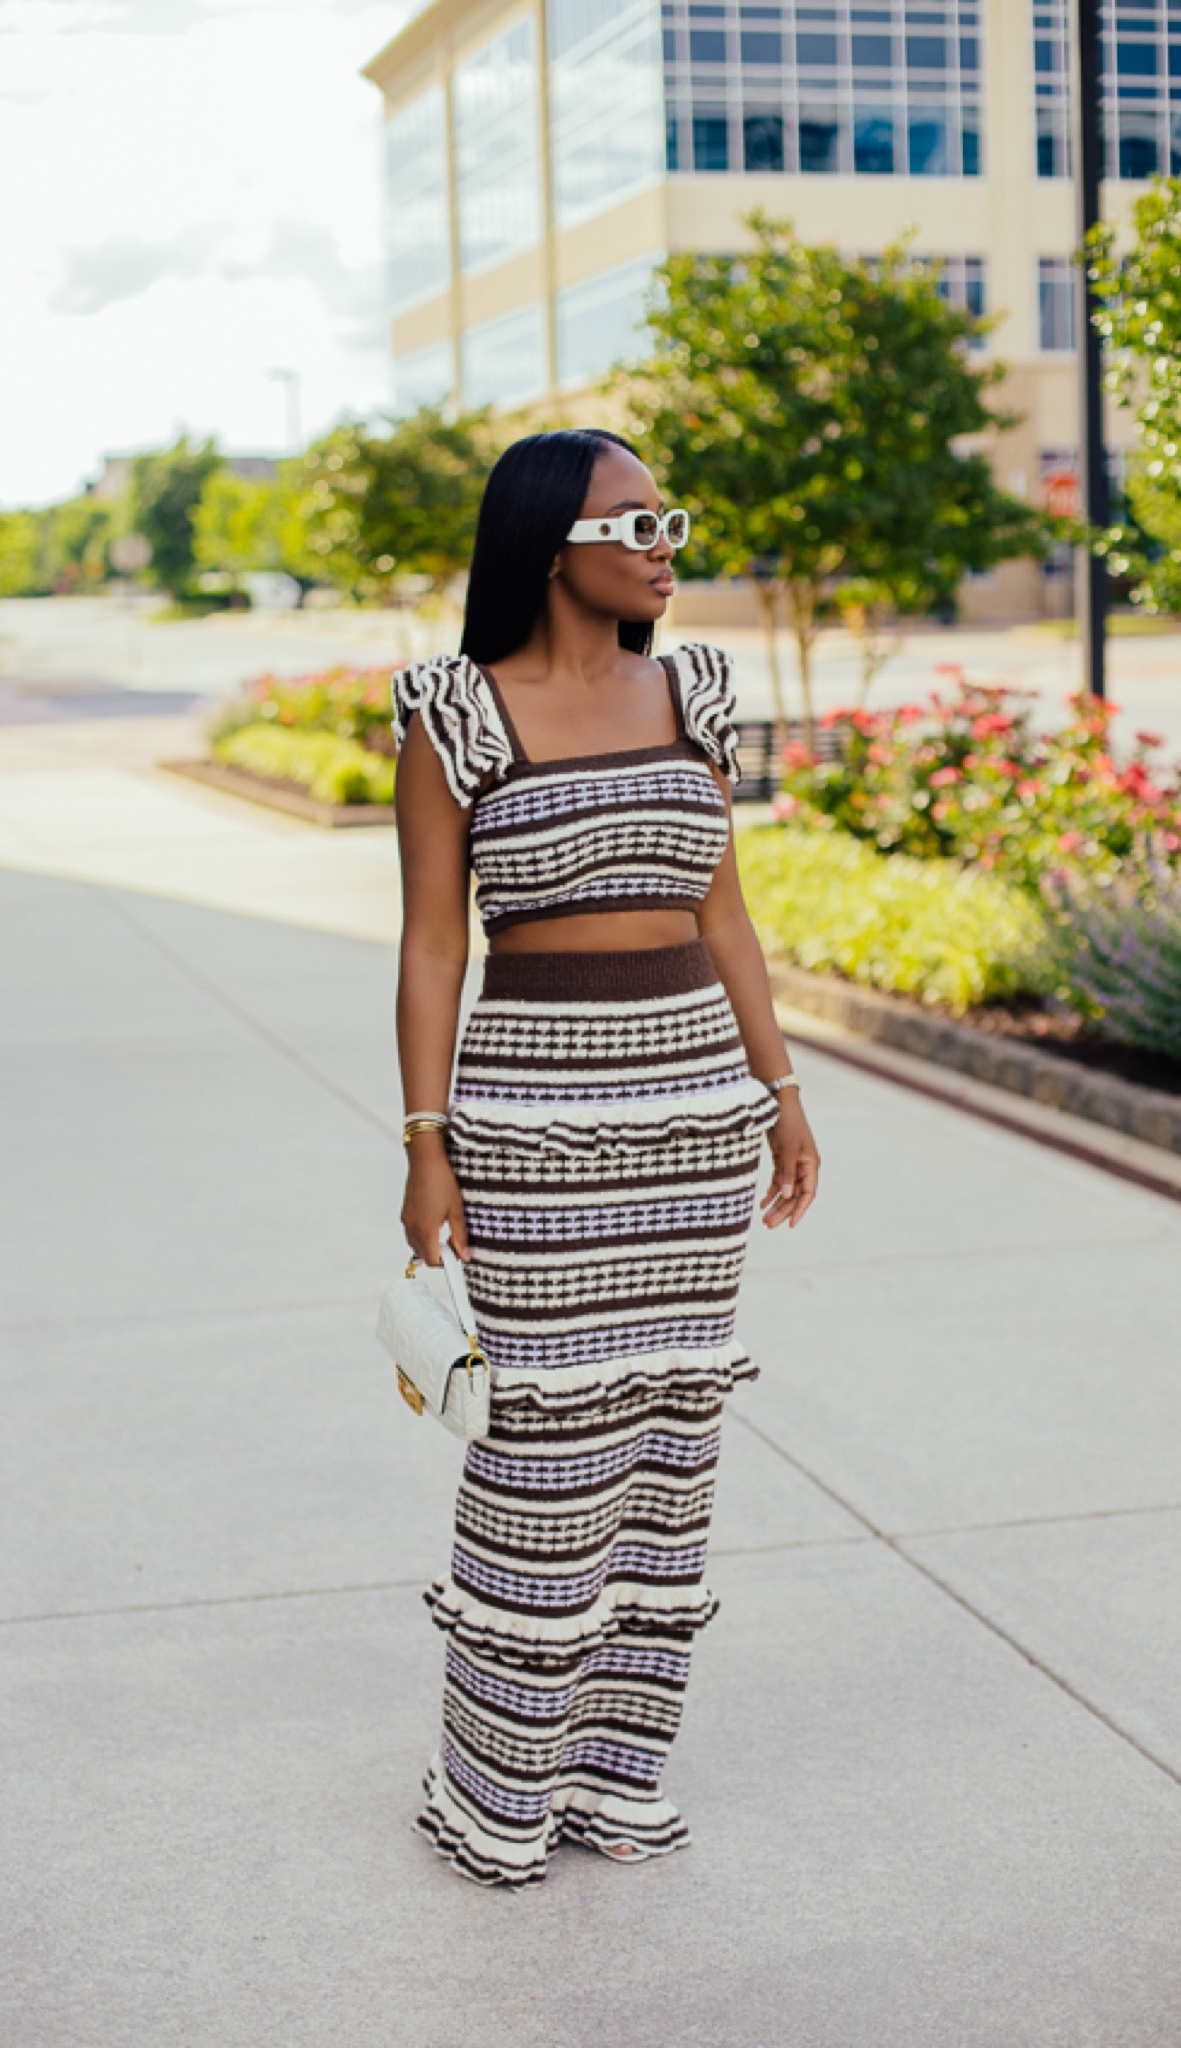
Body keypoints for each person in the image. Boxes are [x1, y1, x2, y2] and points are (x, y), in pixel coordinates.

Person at [392, 426, 819, 1887]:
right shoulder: (453, 710)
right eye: (633, 521)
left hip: (693, 1116)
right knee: (543, 1451)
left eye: (667, 518)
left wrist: (781, 1090)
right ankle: (497, 1789)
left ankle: (618, 1771)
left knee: (668, 1444)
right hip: (531, 1126)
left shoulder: (695, 689)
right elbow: (432, 942)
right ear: (547, 545)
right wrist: (423, 1145)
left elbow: (726, 917)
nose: (663, 543)